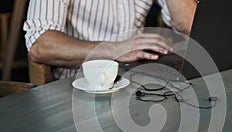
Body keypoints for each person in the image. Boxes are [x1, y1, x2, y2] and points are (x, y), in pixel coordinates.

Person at [24, 0, 197, 79]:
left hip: (136, 79)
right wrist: (114, 50)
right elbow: (40, 45)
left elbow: (190, 25)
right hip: (79, 85)